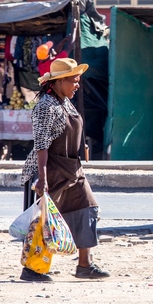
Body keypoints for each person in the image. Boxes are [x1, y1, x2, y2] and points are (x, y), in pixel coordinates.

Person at [20, 58, 110, 282]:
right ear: (58, 82)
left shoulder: (65, 101)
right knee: (45, 221)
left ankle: (84, 265)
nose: (77, 85)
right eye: (73, 81)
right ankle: (32, 268)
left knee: (87, 208)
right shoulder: (45, 106)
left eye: (78, 80)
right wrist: (42, 179)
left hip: (73, 168)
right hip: (53, 169)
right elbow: (41, 145)